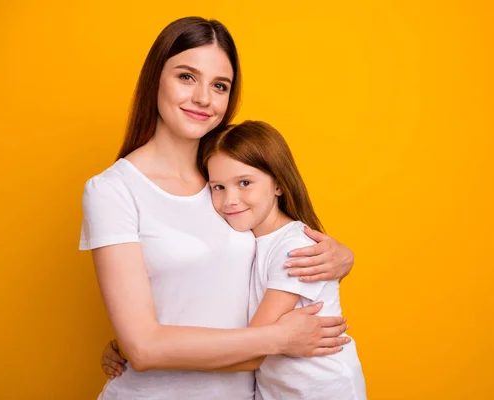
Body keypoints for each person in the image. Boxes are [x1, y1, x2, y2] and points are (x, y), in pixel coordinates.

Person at [80, 17, 355, 399]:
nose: (204, 99)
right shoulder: (113, 190)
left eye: (219, 86)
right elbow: (144, 348)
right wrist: (276, 339)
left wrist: (342, 257)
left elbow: (276, 253)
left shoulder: (231, 182)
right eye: (186, 77)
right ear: (155, 79)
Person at [102, 121, 367, 399]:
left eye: (244, 183)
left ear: (278, 183)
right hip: (277, 391)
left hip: (322, 391)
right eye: (218, 187)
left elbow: (253, 351)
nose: (230, 200)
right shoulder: (244, 239)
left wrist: (144, 353)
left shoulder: (295, 249)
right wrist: (128, 343)